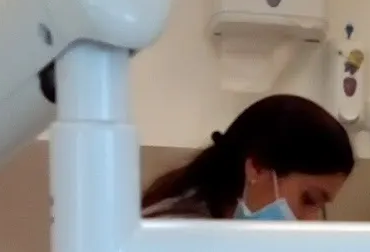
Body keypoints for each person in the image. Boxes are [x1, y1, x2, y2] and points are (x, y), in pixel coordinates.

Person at [141, 94, 354, 220]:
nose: (310, 222)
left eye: (319, 208)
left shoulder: (223, 227)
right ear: (257, 167)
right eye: (309, 199)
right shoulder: (174, 236)